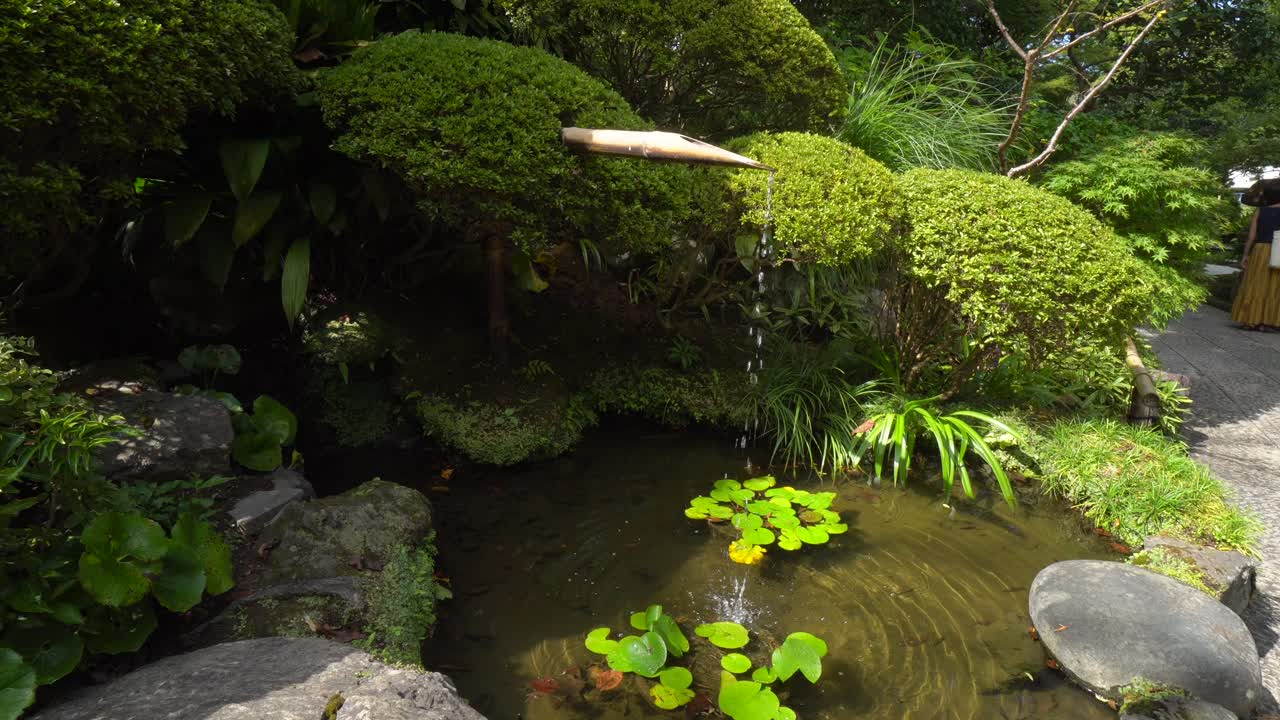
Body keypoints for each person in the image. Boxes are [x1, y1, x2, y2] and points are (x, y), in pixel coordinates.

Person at [1232, 190, 1280, 330]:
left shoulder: (1261, 211)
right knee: (1274, 286)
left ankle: (1250, 320)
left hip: (1260, 250)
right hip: (1278, 251)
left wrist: (1246, 255)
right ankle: (1267, 322)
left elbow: (1251, 236)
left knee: (1255, 284)